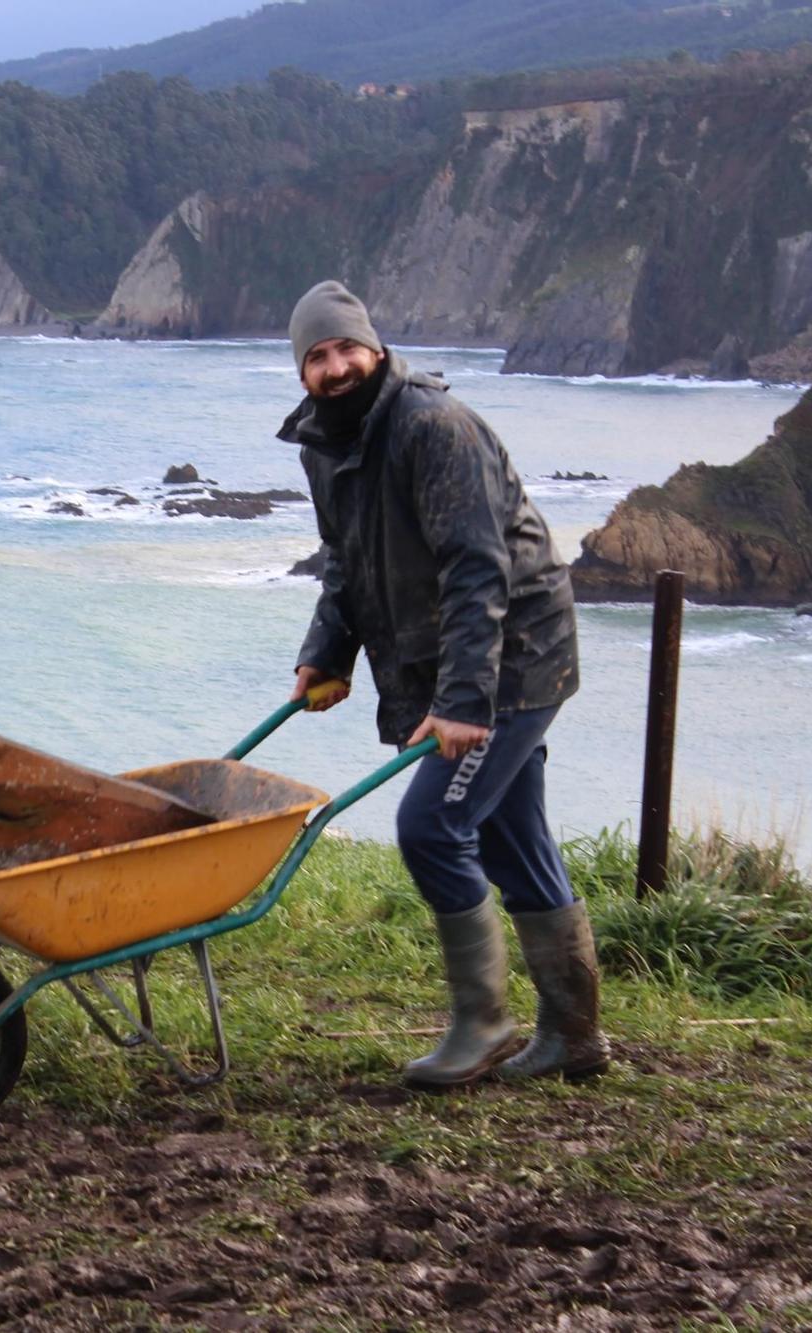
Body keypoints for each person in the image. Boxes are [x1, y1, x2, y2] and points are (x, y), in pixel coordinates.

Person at [278, 279, 609, 1088]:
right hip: (463, 658)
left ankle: (484, 1023)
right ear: (302, 372)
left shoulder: (433, 427)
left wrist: (463, 702)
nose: (335, 367)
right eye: (317, 356)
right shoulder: (326, 445)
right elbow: (347, 562)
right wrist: (327, 652)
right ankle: (574, 1036)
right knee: (509, 834)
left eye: (347, 347)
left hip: (516, 653)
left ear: (376, 349)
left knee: (432, 826)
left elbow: (475, 567)